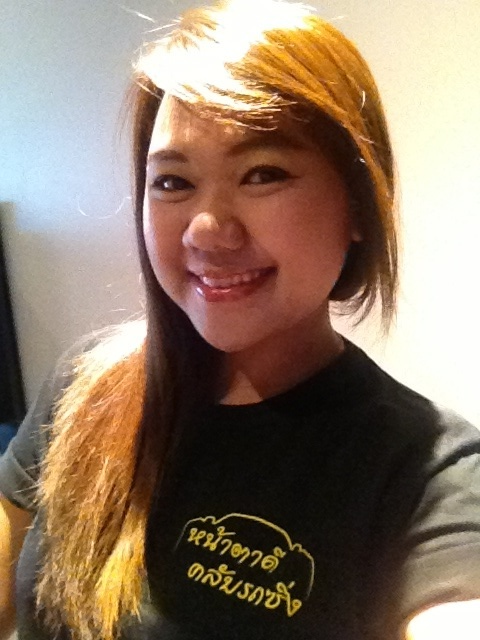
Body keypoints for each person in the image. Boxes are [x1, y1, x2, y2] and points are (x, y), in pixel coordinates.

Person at [1, 1, 479, 639]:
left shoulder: (427, 475)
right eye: (172, 182)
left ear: (361, 205)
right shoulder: (89, 382)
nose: (206, 231)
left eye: (263, 174)